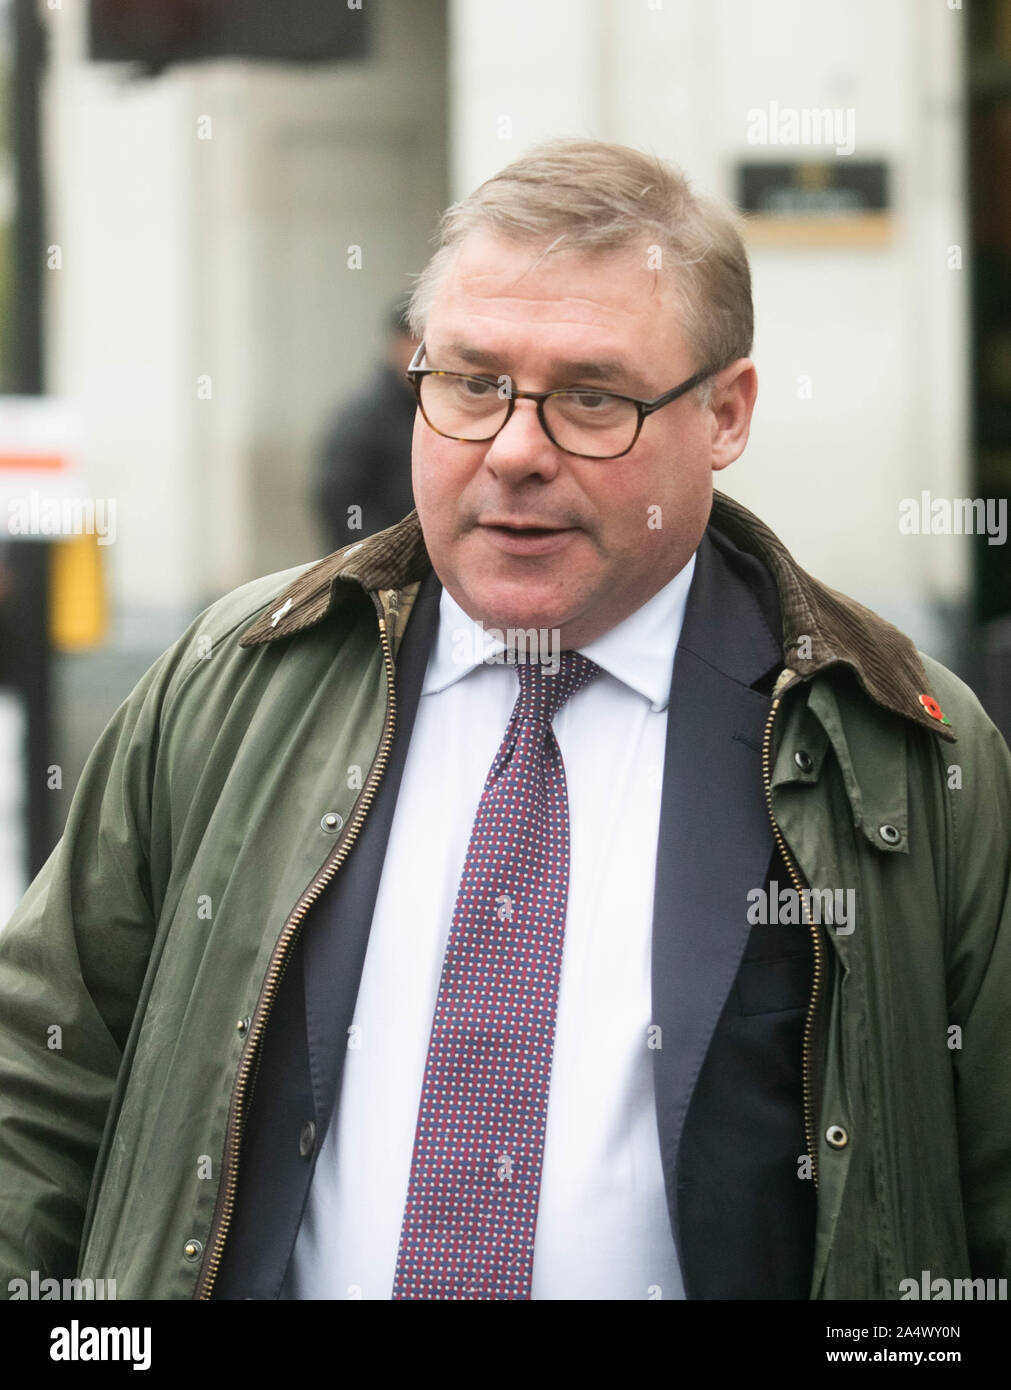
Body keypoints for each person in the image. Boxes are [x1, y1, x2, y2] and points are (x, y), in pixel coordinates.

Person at [1, 138, 1009, 1302]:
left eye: (592, 397)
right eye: (473, 383)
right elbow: (41, 1074)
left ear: (726, 414)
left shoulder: (903, 744)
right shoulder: (232, 684)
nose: (516, 451)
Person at [313, 297, 418, 550]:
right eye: (417, 340)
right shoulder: (364, 414)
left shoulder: (428, 404)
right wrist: (381, 554)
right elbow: (339, 497)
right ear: (397, 343)